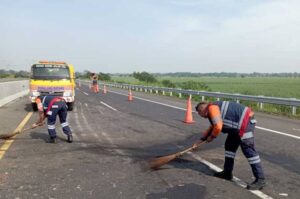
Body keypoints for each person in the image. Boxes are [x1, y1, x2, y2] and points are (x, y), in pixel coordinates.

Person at [195, 101, 266, 190]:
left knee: (249, 151)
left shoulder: (212, 108)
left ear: (201, 109)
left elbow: (218, 126)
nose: (201, 116)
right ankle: (227, 173)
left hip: (245, 123)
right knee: (229, 146)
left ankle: (260, 179)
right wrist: (202, 139)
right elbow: (212, 126)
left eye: (199, 114)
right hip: (236, 127)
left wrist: (212, 137)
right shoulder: (213, 108)